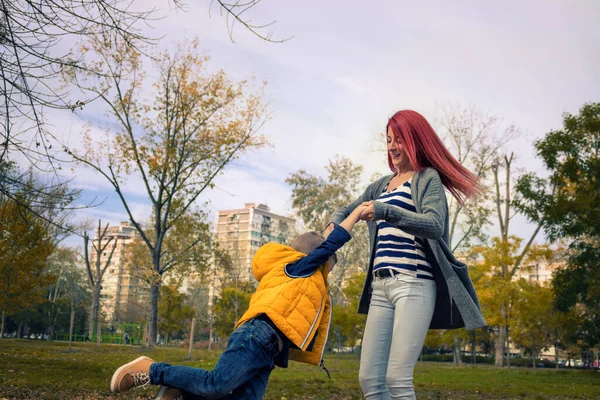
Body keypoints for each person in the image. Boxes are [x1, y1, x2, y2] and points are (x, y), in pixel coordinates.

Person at [109, 203, 367, 400]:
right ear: (315, 259)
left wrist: (323, 236)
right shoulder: (297, 267)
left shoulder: (299, 273)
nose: (326, 275)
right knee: (216, 384)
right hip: (257, 336)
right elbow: (326, 249)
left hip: (270, 350)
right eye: (327, 268)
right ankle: (151, 370)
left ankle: (181, 389)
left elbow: (320, 249)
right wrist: (353, 217)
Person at [326, 110, 486, 399]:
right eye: (389, 140)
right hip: (380, 287)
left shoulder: (427, 179)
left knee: (397, 380)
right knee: (370, 381)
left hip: (413, 284)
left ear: (415, 141)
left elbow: (434, 225)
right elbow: (344, 211)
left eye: (399, 140)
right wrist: (330, 227)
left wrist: (384, 211)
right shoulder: (380, 186)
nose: (392, 146)